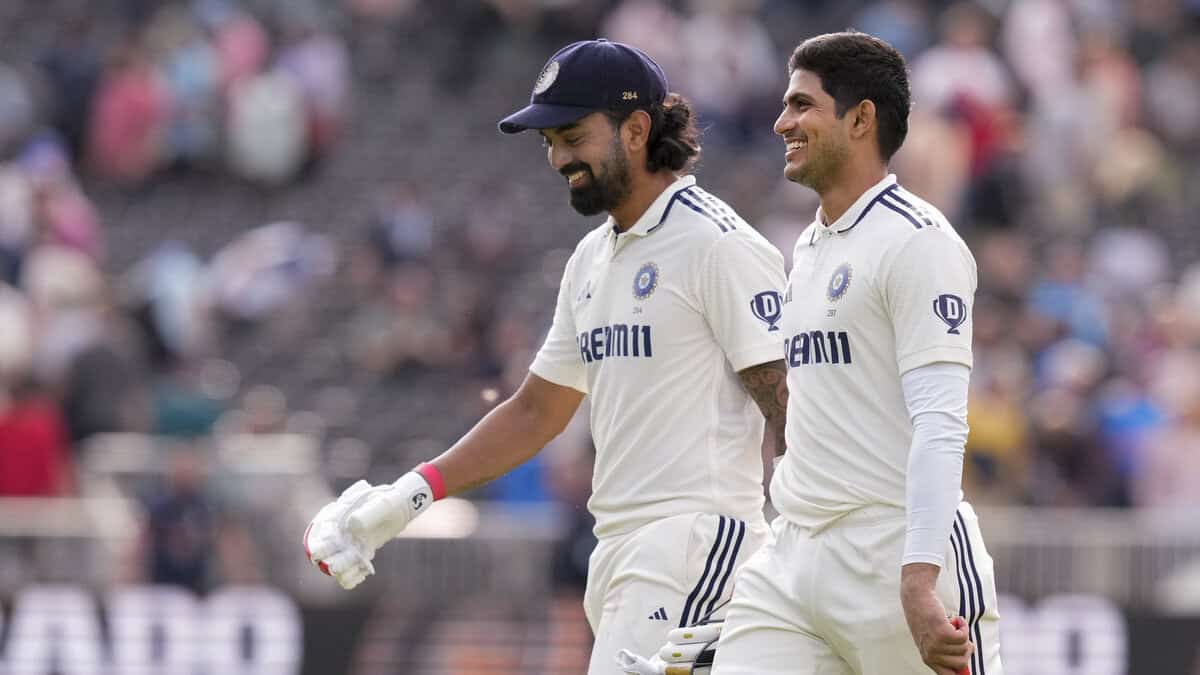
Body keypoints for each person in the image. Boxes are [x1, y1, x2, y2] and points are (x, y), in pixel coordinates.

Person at [303, 39, 789, 673]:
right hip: (619, 554)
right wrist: (408, 497)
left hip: (699, 548)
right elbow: (536, 411)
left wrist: (803, 553)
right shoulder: (592, 258)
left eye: (572, 135)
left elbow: (789, 407)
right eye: (549, 142)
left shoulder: (715, 244)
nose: (559, 157)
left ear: (637, 129)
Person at [708, 31, 1004, 675]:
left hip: (895, 552)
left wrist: (920, 579)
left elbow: (940, 422)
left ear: (861, 118)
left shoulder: (918, 241)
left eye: (802, 105)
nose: (782, 121)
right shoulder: (810, 247)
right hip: (792, 557)